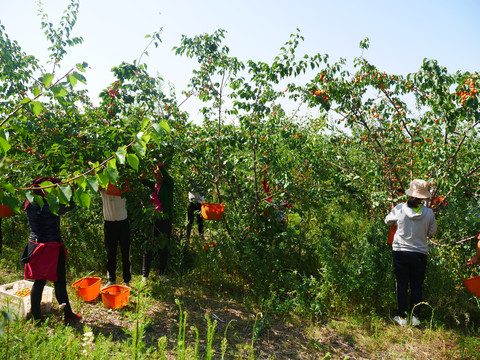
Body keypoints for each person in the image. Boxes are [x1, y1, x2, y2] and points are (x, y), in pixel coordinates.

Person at [21, 177, 81, 323]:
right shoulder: (53, 204)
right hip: (52, 248)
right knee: (59, 283)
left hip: (35, 247)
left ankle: (36, 316)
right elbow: (71, 204)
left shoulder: (29, 202)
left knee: (39, 282)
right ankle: (67, 314)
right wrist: (67, 189)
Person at [384, 179, 437, 327]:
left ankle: (402, 317)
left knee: (401, 284)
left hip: (400, 251)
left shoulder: (400, 209)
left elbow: (387, 221)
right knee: (417, 285)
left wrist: (397, 222)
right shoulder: (429, 213)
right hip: (420, 253)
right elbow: (432, 233)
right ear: (423, 197)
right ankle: (415, 317)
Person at [141, 163, 174, 281]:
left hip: (165, 221)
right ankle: (145, 275)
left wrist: (159, 165)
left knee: (164, 247)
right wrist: (149, 169)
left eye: (159, 174)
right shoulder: (153, 185)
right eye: (156, 175)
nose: (158, 177)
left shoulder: (168, 184)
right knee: (148, 245)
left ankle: (162, 274)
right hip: (152, 220)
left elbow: (166, 175)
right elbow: (141, 179)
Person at [99, 182, 131, 287]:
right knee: (110, 253)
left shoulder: (123, 185)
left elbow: (116, 190)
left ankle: (126, 280)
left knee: (125, 252)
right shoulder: (102, 184)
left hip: (123, 223)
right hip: (109, 224)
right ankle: (111, 279)